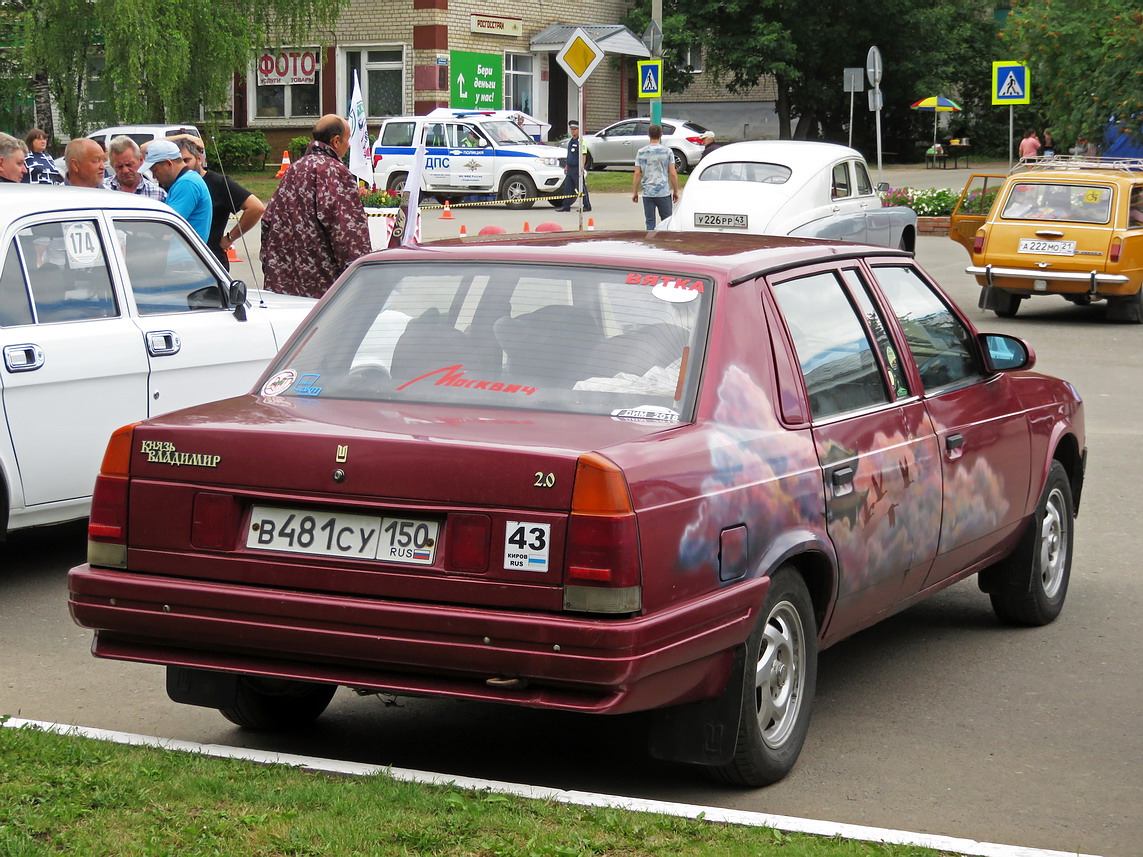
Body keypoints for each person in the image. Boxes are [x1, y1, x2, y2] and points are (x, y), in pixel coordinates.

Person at [260, 114, 371, 299]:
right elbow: (348, 234)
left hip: (282, 288)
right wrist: (362, 277)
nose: (349, 145)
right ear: (336, 141)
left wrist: (271, 267)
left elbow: (267, 221)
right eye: (348, 139)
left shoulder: (293, 169)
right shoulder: (334, 172)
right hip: (323, 291)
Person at [172, 137, 264, 269]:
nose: (183, 166)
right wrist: (182, 137)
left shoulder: (218, 183)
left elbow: (256, 208)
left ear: (199, 159)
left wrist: (229, 238)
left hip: (212, 261)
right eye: (178, 161)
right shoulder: (173, 184)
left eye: (187, 160)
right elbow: (143, 149)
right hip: (179, 261)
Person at [141, 139, 212, 239]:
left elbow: (165, 226)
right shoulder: (186, 180)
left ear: (168, 163)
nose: (154, 176)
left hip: (184, 254)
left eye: (155, 170)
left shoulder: (187, 183)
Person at [632, 123, 679, 229]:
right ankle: (665, 242)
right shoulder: (668, 152)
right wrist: (675, 191)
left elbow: (637, 173)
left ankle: (651, 242)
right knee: (667, 221)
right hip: (663, 192)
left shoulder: (641, 152)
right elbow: (672, 173)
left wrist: (635, 192)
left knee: (650, 221)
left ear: (648, 134)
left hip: (648, 192)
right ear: (661, 135)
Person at [103, 136, 166, 200]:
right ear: (112, 165)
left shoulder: (158, 195)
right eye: (119, 166)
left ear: (141, 160)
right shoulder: (101, 190)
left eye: (129, 165)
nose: (125, 170)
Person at [556, 120, 590, 212]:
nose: (573, 131)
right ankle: (566, 206)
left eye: (575, 129)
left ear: (578, 130)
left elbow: (583, 154)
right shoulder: (571, 141)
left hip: (577, 168)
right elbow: (569, 155)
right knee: (567, 188)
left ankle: (587, 205)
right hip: (570, 168)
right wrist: (566, 166)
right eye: (572, 129)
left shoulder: (581, 141)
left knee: (581, 188)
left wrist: (582, 167)